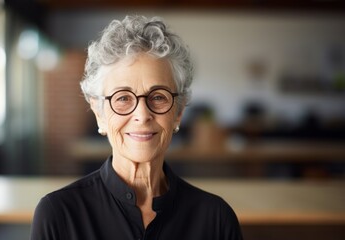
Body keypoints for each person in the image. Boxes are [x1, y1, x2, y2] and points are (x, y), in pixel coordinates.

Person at [31, 15, 243, 240]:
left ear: (179, 112)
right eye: (123, 98)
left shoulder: (216, 219)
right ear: (99, 113)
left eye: (158, 97)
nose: (142, 115)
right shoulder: (58, 215)